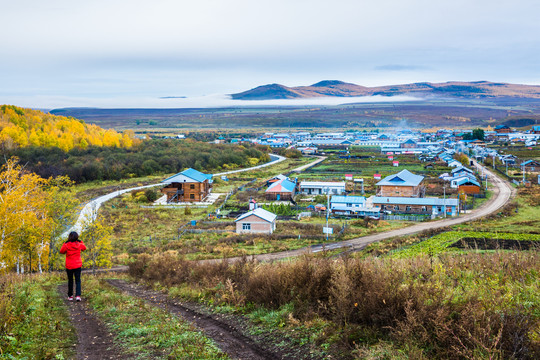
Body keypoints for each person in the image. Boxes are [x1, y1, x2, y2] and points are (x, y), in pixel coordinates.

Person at [59, 231, 87, 301]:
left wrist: (65, 243)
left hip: (69, 266)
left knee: (70, 280)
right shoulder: (79, 244)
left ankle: (70, 296)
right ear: (77, 237)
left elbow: (61, 251)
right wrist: (81, 241)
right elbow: (84, 248)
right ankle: (78, 296)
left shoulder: (66, 245)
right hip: (77, 265)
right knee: (78, 280)